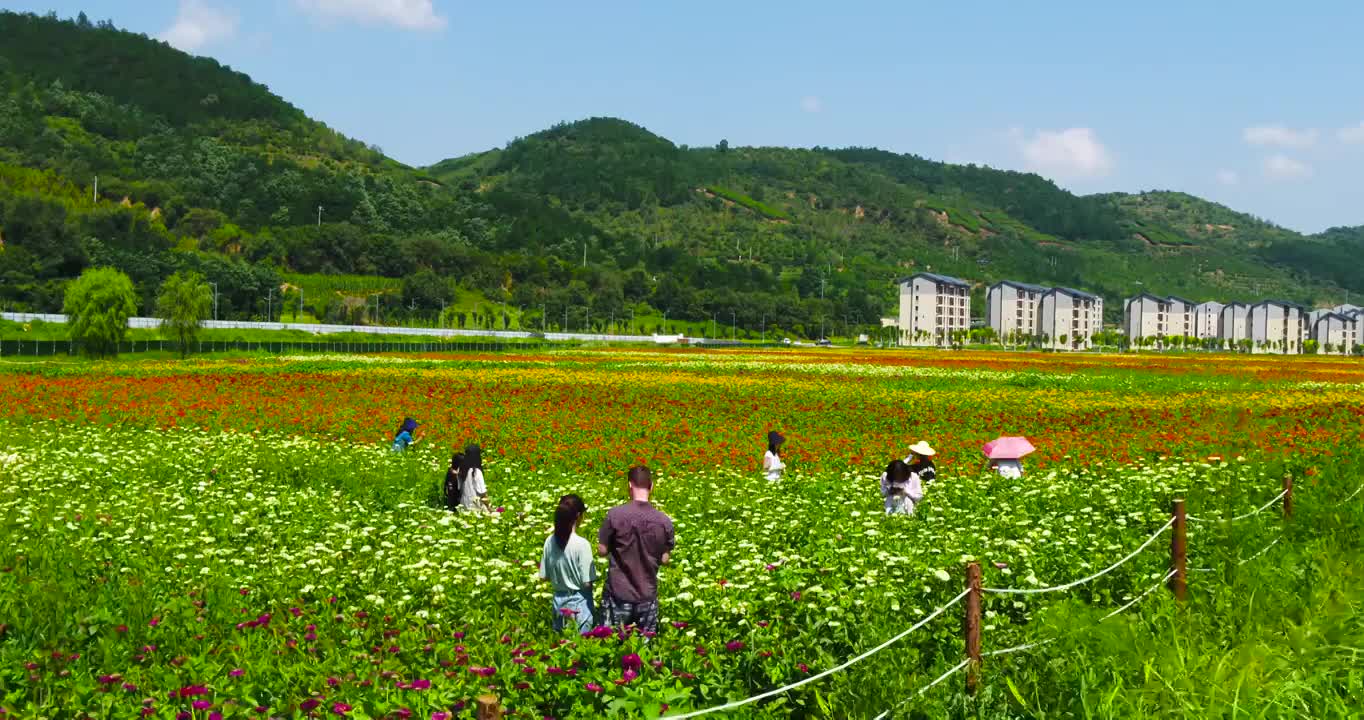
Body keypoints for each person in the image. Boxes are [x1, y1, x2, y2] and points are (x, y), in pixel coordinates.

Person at [598, 466, 674, 633]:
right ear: (651, 486)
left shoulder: (615, 515)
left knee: (612, 645)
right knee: (644, 650)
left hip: (618, 594)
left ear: (629, 486)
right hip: (647, 595)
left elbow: (602, 550)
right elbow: (664, 559)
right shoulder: (663, 521)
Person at [539, 494, 597, 634]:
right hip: (579, 604)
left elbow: (543, 576)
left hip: (558, 602)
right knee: (580, 649)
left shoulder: (549, 541)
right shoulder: (582, 544)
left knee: (562, 646)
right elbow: (587, 582)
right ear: (578, 516)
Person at [455, 444, 490, 511]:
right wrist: (489, 508)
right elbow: (482, 493)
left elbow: (459, 488)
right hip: (475, 506)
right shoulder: (476, 472)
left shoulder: (461, 469)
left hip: (463, 505)